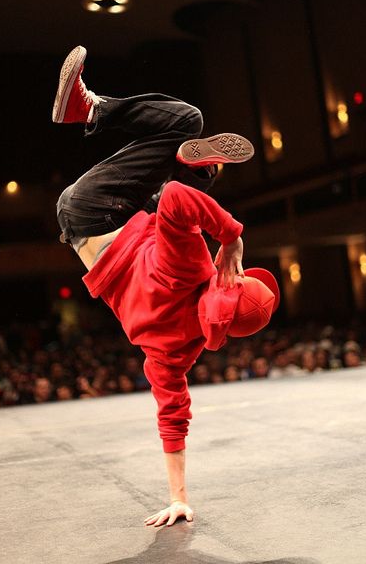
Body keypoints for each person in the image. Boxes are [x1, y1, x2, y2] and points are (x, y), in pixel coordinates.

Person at [53, 46, 280, 527]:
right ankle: (200, 169)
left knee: (186, 122)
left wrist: (232, 237)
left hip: (103, 210)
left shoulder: (193, 265)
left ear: (234, 280)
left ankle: (92, 108)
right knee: (179, 190)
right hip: (89, 228)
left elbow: (178, 201)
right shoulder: (182, 349)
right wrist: (179, 497)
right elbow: (173, 414)